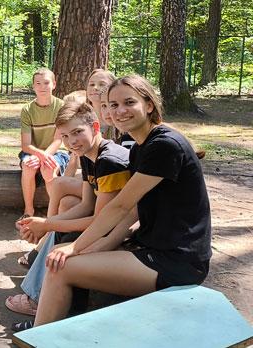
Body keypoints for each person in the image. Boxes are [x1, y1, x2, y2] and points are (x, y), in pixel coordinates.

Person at [25, 75, 212, 331]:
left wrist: (75, 247)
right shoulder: (139, 148)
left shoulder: (164, 145)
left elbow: (120, 206)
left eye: (128, 102)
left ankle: (40, 336)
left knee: (62, 266)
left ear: (148, 105)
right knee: (67, 253)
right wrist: (89, 247)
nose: (119, 111)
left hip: (175, 260)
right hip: (148, 246)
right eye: (112, 105)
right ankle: (63, 325)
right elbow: (131, 214)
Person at [7, 101, 132, 321]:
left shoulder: (109, 160)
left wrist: (47, 225)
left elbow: (100, 221)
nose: (71, 141)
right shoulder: (88, 155)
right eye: (64, 136)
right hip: (110, 225)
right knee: (60, 231)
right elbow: (85, 204)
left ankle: (45, 306)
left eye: (77, 132)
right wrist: (43, 224)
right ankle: (49, 303)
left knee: (65, 242)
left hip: (128, 232)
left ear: (95, 128)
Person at [18, 68, 69, 220]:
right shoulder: (27, 110)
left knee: (48, 169)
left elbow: (58, 140)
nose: (42, 87)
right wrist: (39, 155)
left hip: (56, 151)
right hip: (33, 151)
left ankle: (53, 215)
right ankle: (28, 211)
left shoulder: (61, 107)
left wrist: (44, 157)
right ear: (33, 86)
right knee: (28, 167)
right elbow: (25, 145)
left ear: (54, 84)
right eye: (38, 83)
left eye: (46, 83)